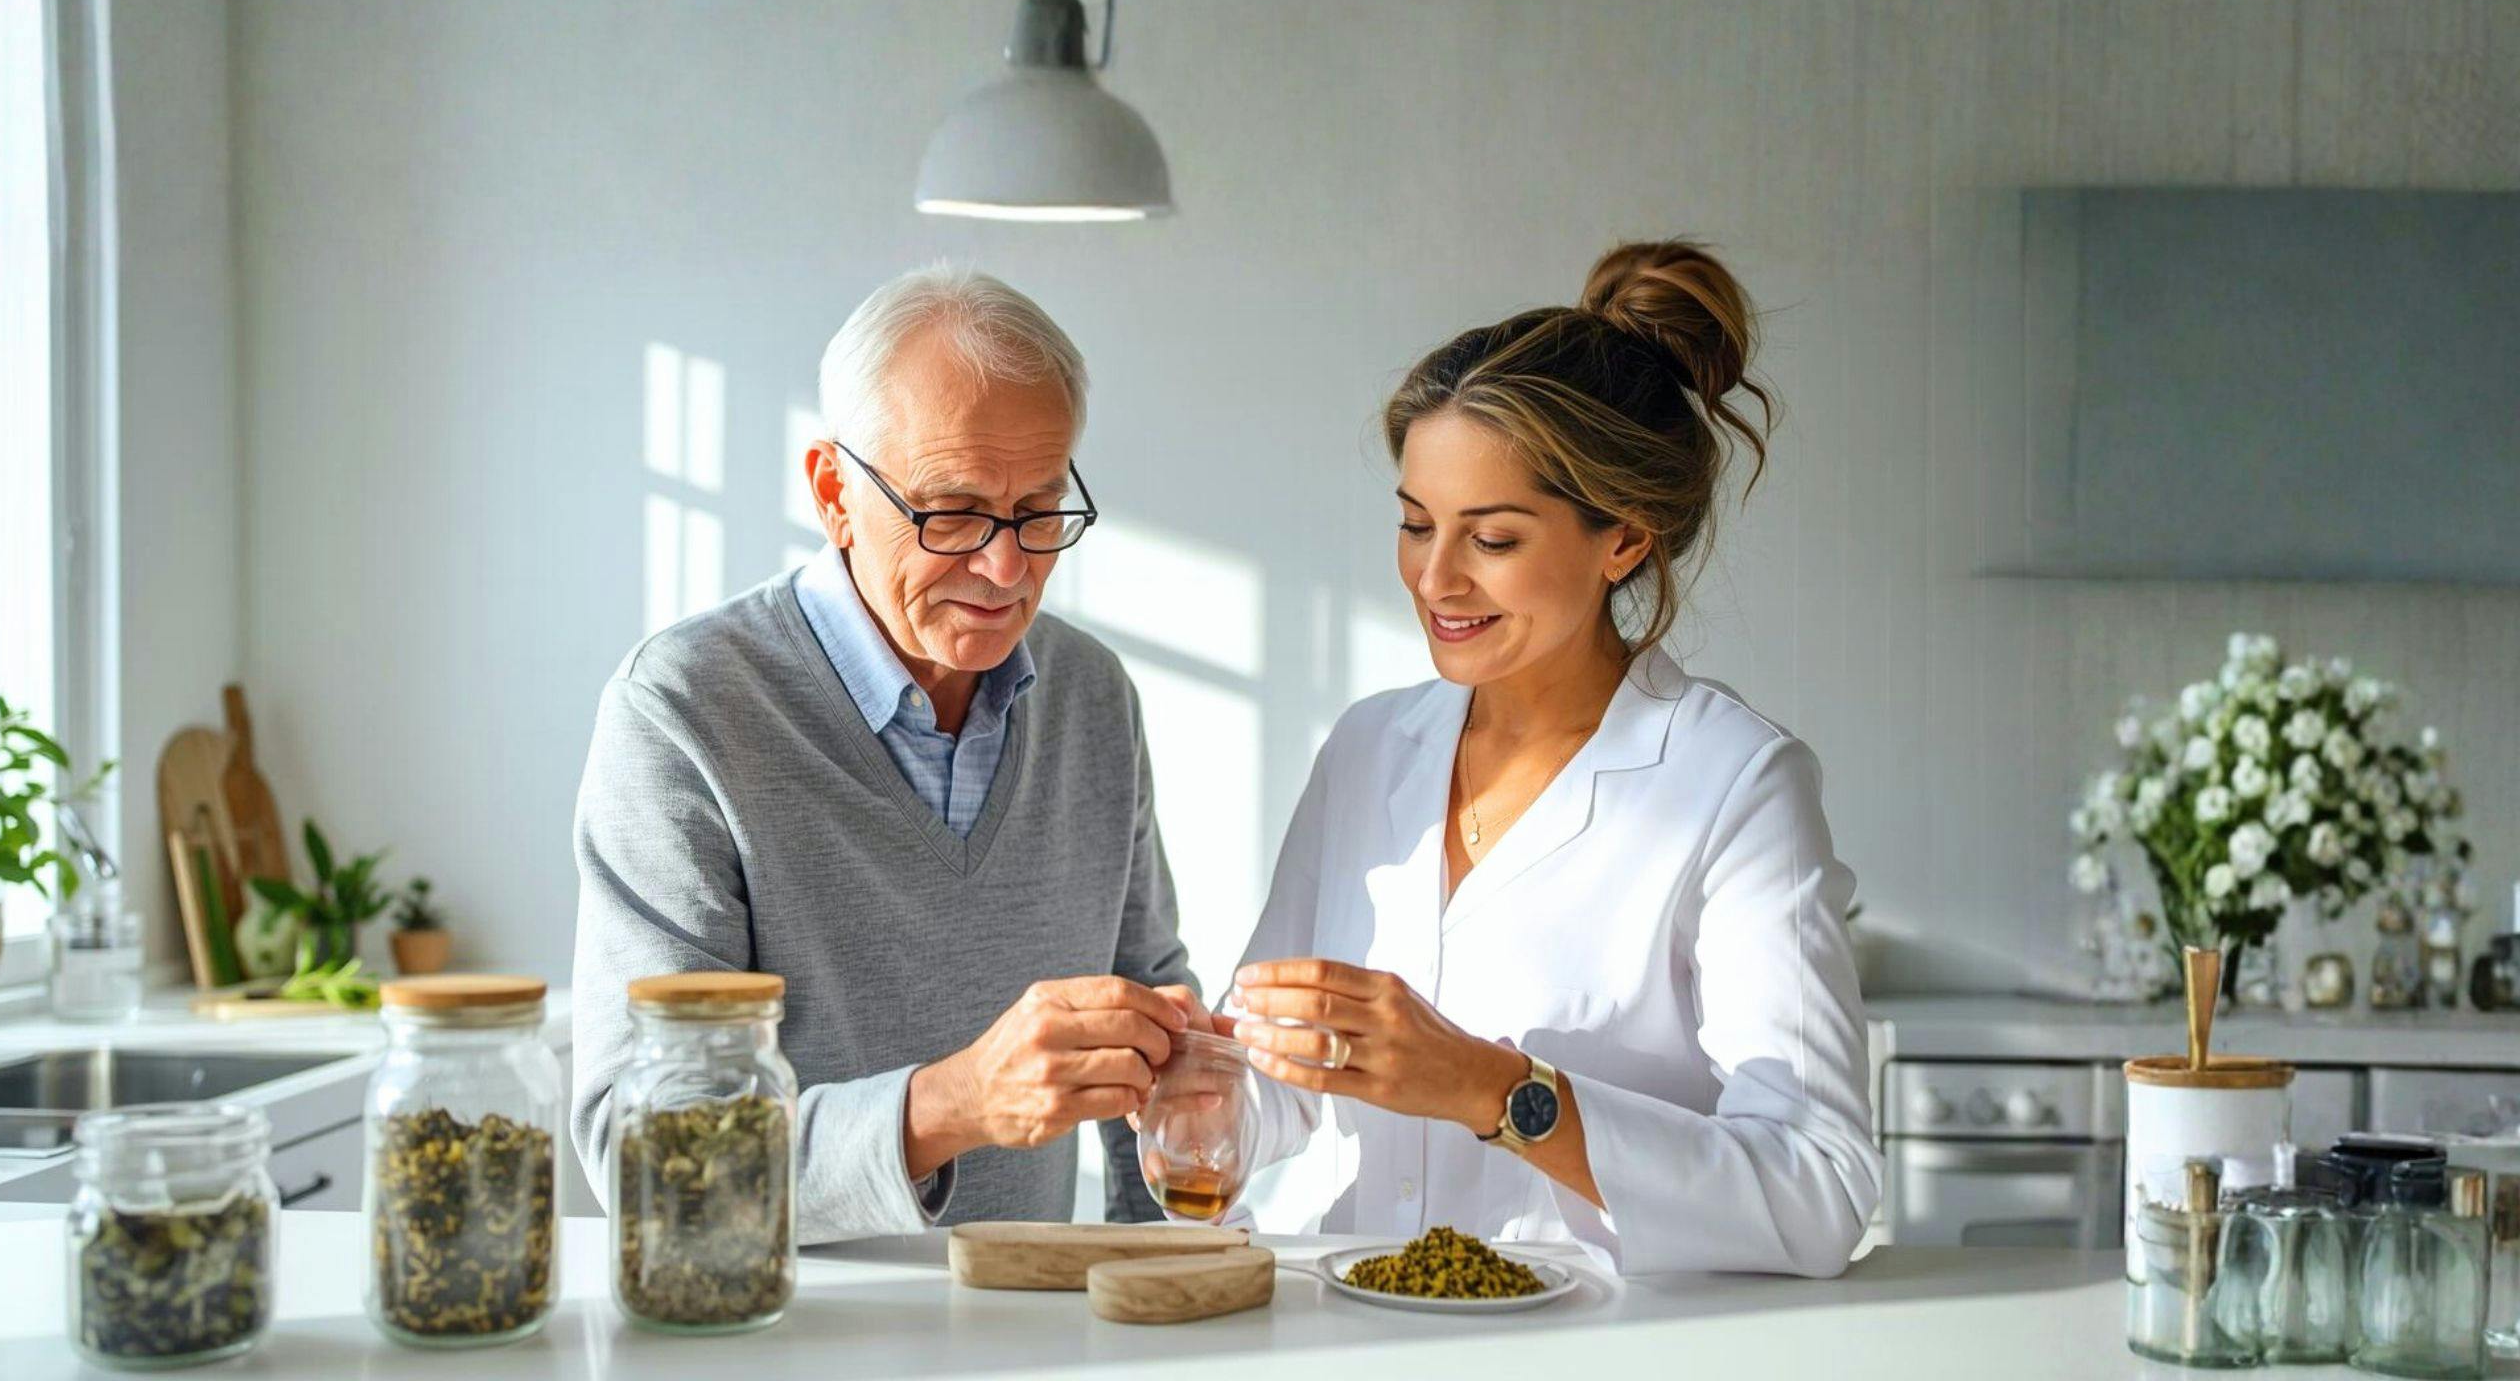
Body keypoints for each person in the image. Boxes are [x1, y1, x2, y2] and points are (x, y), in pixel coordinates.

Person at [1224, 240, 1879, 1277]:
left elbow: (1816, 1189)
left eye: (1491, 539)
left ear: (1621, 539)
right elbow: (1276, 1079)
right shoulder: (1366, 748)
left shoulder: (1734, 784)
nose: (1434, 577)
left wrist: (1493, 1090)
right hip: (1340, 1330)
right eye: (1413, 523)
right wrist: (1186, 1083)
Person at [570, 264, 1200, 1241]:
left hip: (1034, 1334)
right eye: (951, 513)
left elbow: (1147, 1009)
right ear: (832, 490)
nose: (1005, 569)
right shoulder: (686, 710)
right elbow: (644, 1156)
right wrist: (949, 1108)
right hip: (783, 1340)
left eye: (1038, 512)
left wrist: (1160, 1240)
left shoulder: (1091, 698)